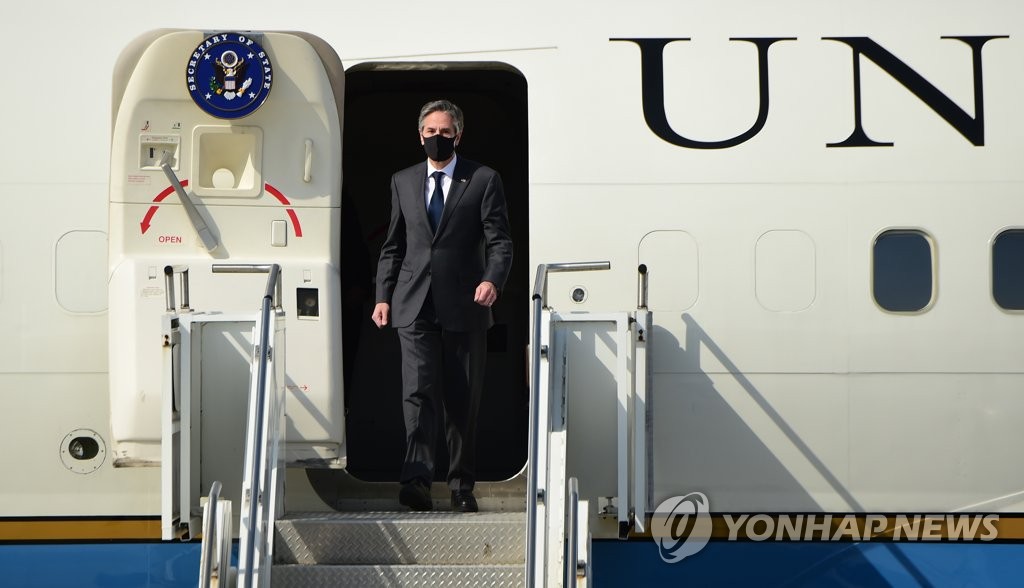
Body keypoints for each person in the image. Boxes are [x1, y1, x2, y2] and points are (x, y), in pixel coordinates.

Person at [372, 100, 513, 512]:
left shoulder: (483, 179)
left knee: (461, 399)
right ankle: (416, 482)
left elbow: (500, 240)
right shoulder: (403, 181)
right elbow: (393, 245)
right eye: (430, 131)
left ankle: (460, 485)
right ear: (420, 136)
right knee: (417, 395)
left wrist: (492, 279)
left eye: (445, 131)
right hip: (413, 305)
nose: (437, 138)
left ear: (458, 135)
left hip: (466, 305)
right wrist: (383, 295)